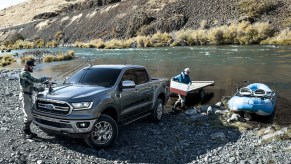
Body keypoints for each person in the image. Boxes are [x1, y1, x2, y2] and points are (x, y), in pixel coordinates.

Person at [19, 59, 51, 139]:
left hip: (28, 96)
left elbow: (31, 86)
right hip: (25, 96)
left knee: (31, 114)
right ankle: (25, 132)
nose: (32, 68)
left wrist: (40, 89)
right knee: (28, 115)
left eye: (32, 66)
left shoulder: (27, 73)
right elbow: (34, 80)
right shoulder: (24, 74)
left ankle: (28, 131)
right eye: (31, 66)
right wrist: (45, 78)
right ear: (26, 66)